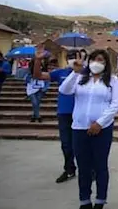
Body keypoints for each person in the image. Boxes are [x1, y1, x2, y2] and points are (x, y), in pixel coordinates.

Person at [58, 49, 118, 209]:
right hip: (79, 128)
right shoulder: (80, 78)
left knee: (100, 165)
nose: (97, 63)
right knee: (83, 166)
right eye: (94, 60)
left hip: (103, 129)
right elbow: (64, 90)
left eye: (101, 60)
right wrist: (75, 72)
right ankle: (84, 200)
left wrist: (100, 123)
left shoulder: (112, 80)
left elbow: (116, 104)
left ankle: (100, 200)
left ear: (106, 64)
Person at [32, 46, 80, 183]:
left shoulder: (85, 73)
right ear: (66, 59)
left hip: (81, 113)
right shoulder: (60, 73)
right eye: (70, 57)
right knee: (66, 143)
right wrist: (37, 60)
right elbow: (38, 76)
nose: (73, 60)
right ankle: (69, 169)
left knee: (83, 143)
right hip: (64, 112)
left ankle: (90, 169)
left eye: (75, 57)